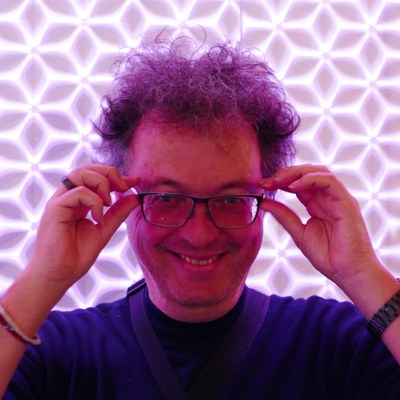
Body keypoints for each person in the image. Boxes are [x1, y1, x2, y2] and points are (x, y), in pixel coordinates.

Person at [1, 36, 400, 399]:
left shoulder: (344, 345)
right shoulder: (49, 352)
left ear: (267, 198)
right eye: (166, 198)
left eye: (231, 199)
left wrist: (361, 271)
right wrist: (43, 278)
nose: (199, 235)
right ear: (122, 197)